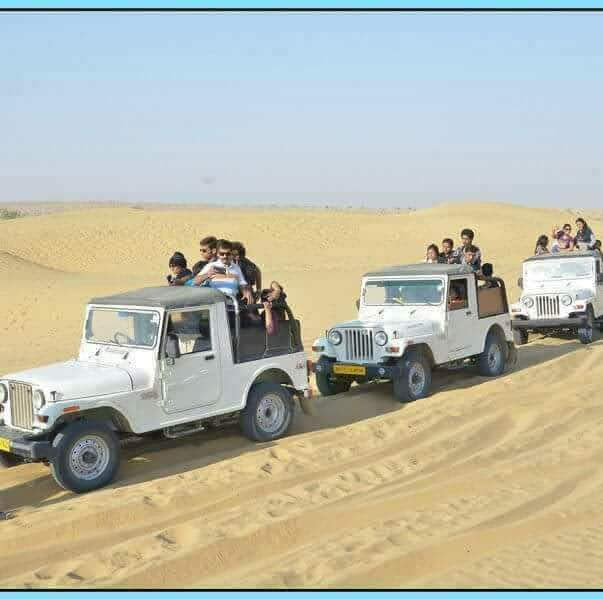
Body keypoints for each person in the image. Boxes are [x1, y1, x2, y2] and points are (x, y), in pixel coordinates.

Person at [190, 239, 254, 304]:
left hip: (232, 303)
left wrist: (246, 291)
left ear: (231, 254)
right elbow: (194, 282)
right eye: (222, 254)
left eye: (228, 254)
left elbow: (242, 284)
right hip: (215, 303)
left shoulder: (236, 268)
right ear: (217, 254)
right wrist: (207, 274)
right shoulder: (211, 266)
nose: (225, 256)